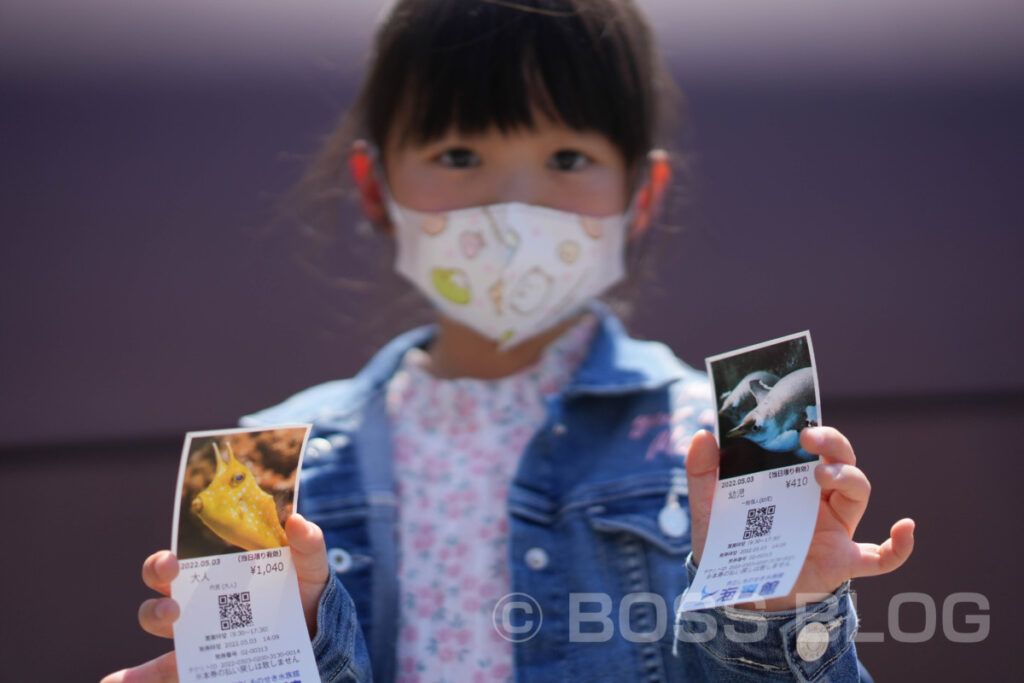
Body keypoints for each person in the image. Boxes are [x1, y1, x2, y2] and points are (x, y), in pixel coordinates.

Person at [103, 1, 915, 681]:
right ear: (376, 189)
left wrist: (779, 613)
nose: (513, 205)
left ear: (640, 195)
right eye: (459, 154)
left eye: (568, 156)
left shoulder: (730, 438)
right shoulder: (258, 468)